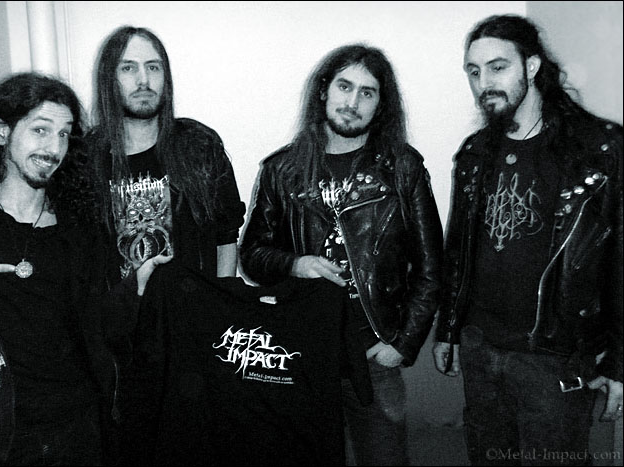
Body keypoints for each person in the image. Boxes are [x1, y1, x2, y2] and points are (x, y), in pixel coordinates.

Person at [0, 72, 157, 465]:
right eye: (40, 130)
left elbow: (101, 329)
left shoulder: (81, 227)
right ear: (2, 132)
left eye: (64, 134)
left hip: (77, 431)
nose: (54, 148)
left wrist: (134, 290)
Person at [240, 44, 443, 466]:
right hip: (301, 354)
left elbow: (431, 267)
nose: (353, 102)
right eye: (344, 87)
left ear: (381, 105)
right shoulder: (282, 170)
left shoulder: (403, 168)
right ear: (323, 91)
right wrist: (295, 264)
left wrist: (402, 344)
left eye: (367, 93)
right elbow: (252, 255)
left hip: (375, 357)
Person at [433, 14, 623, 465]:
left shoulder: (599, 149)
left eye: (497, 67)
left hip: (554, 357)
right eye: (473, 71)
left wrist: (619, 361)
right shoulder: (476, 153)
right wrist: (449, 330)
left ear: (532, 66)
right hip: (480, 351)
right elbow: (458, 251)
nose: (483, 83)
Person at [86, 25, 246, 464]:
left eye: (153, 67)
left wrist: (219, 314)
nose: (143, 80)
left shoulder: (199, 145)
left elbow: (226, 235)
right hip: (120, 345)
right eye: (129, 68)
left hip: (191, 336)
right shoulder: (87, 156)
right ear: (109, 78)